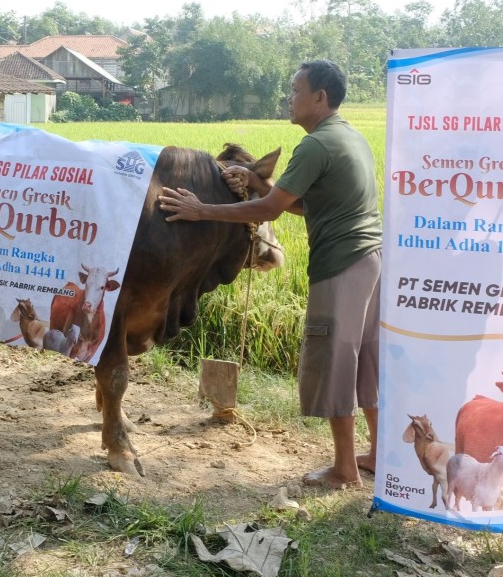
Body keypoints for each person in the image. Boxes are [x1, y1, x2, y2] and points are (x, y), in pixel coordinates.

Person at [158, 60, 382, 488]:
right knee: (365, 361)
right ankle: (380, 453)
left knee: (334, 362)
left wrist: (200, 209)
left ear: (319, 97)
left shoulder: (316, 145)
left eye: (296, 91)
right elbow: (299, 204)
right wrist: (260, 183)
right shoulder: (347, 135)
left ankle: (344, 469)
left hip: (341, 263)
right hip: (370, 259)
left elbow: (268, 211)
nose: (289, 99)